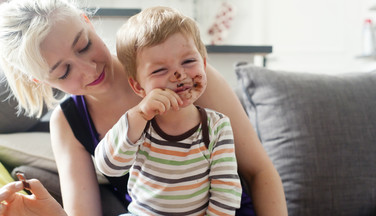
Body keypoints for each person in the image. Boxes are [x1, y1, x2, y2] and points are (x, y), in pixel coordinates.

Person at [0, 0, 288, 215]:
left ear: (88, 23)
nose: (88, 70)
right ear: (41, 80)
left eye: (84, 45)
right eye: (63, 72)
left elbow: (259, 171)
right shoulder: (68, 122)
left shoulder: (183, 73)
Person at [94, 6, 241, 216]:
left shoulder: (217, 126)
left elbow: (225, 190)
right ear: (138, 87)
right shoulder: (138, 125)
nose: (179, 74)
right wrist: (140, 115)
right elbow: (107, 167)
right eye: (159, 70)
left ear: (204, 63)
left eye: (189, 61)